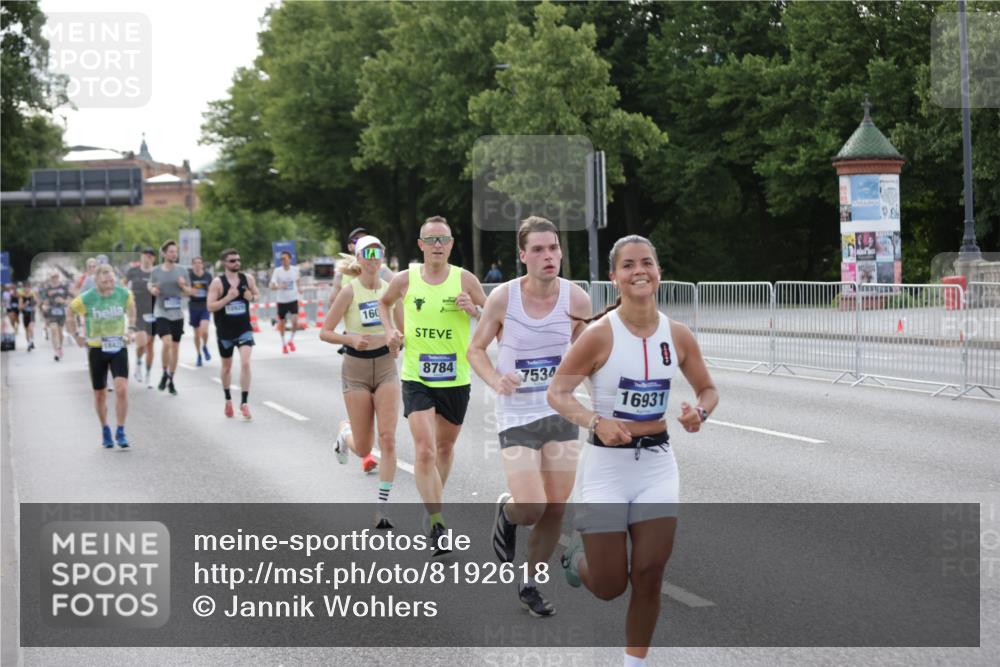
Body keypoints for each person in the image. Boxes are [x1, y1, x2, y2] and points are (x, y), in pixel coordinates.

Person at [547, 235, 718, 667]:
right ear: (614, 277)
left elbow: (708, 389)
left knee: (649, 574)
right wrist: (596, 421)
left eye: (647, 263)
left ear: (659, 272)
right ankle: (578, 557)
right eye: (628, 265)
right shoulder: (598, 336)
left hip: (657, 466)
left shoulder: (676, 334)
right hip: (606, 468)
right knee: (609, 586)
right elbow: (558, 392)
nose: (639, 270)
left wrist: (699, 411)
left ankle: (634, 664)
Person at [467, 217, 593, 617]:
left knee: (556, 506)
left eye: (553, 248)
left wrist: (601, 405)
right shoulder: (504, 298)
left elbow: (588, 355)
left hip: (558, 410)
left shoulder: (577, 300)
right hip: (516, 415)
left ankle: (531, 582)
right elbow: (475, 350)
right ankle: (508, 511)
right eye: (537, 249)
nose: (548, 256)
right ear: (522, 256)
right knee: (532, 507)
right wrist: (494, 378)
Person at [378, 216, 488, 556]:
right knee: (424, 450)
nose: (438, 245)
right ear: (421, 245)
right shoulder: (405, 279)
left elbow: (490, 316)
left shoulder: (465, 279)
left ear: (452, 245)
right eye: (431, 239)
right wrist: (390, 331)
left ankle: (432, 504)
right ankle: (438, 524)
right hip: (417, 377)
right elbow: (383, 303)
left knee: (443, 449)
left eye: (443, 239)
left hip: (455, 379)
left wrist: (475, 310)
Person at [320, 235, 402, 528]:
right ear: (358, 257)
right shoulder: (349, 291)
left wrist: (397, 341)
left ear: (382, 256)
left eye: (377, 252)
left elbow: (402, 331)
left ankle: (383, 508)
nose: (373, 257)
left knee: (389, 438)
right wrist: (349, 338)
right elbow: (325, 331)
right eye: (367, 253)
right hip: (355, 369)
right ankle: (346, 434)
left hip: (385, 368)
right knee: (365, 448)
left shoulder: (390, 292)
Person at [66, 264, 137, 448]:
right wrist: (76, 335)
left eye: (111, 278)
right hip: (96, 349)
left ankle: (120, 431)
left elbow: (131, 308)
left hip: (118, 346)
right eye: (105, 279)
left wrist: (131, 329)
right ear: (96, 280)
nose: (109, 282)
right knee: (100, 394)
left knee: (121, 388)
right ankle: (105, 428)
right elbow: (70, 312)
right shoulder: (87, 298)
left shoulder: (123, 294)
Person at [207, 248, 259, 420]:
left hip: (244, 329)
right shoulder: (217, 283)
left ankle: (244, 402)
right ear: (224, 263)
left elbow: (257, 295)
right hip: (225, 332)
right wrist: (228, 298)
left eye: (238, 260)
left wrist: (251, 297)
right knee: (227, 367)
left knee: (245, 363)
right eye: (232, 261)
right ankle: (228, 399)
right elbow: (210, 306)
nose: (236, 263)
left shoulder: (247, 278)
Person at [148, 240, 192, 395]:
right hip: (161, 312)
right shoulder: (155, 271)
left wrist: (183, 286)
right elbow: (150, 287)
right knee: (166, 343)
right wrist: (154, 290)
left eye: (176, 251)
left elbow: (190, 292)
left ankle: (170, 379)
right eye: (171, 251)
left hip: (177, 314)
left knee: (175, 348)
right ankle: (164, 372)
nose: (174, 254)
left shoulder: (182, 271)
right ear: (164, 254)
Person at [328, 227, 394, 308]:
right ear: (349, 247)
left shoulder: (383, 270)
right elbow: (332, 304)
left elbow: (399, 298)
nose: (361, 242)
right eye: (356, 240)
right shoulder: (341, 274)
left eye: (365, 239)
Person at [125, 248, 157, 386]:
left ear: (153, 259)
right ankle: (138, 364)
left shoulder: (157, 273)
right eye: (145, 255)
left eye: (150, 256)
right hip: (137, 311)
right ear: (141, 257)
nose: (148, 258)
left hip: (153, 311)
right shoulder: (133, 271)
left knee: (150, 345)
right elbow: (123, 284)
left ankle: (148, 375)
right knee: (142, 343)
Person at [269, 250, 301, 354]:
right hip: (282, 301)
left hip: (293, 299)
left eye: (285, 258)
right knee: (282, 324)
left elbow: (297, 281)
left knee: (295, 321)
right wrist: (279, 286)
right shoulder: (277, 271)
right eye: (281, 259)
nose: (283, 261)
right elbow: (272, 286)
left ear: (290, 259)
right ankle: (283, 344)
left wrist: (300, 289)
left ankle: (291, 340)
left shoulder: (295, 270)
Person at [188, 256, 213, 366]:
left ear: (202, 264)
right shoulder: (189, 276)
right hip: (193, 305)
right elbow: (185, 289)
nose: (197, 265)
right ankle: (198, 354)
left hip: (205, 305)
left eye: (199, 263)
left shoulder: (208, 276)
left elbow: (213, 289)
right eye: (195, 263)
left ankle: (205, 347)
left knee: (204, 331)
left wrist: (210, 295)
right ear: (192, 265)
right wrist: (190, 291)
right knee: (197, 334)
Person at [40, 272, 71, 361]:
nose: (54, 278)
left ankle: (60, 347)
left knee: (60, 333)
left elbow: (70, 299)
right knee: (54, 330)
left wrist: (63, 301)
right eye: (53, 277)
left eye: (56, 277)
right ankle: (56, 351)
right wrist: (44, 306)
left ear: (58, 277)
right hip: (51, 311)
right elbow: (44, 300)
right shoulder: (47, 288)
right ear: (51, 278)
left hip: (62, 311)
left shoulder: (64, 287)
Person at [16, 282, 37, 351]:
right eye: (25, 287)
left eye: (28, 287)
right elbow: (19, 307)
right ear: (24, 289)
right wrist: (25, 304)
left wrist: (34, 306)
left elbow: (36, 303)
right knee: (27, 330)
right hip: (25, 314)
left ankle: (31, 341)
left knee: (31, 327)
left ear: (30, 288)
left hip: (32, 314)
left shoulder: (32, 295)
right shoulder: (22, 297)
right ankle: (28, 343)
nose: (27, 289)